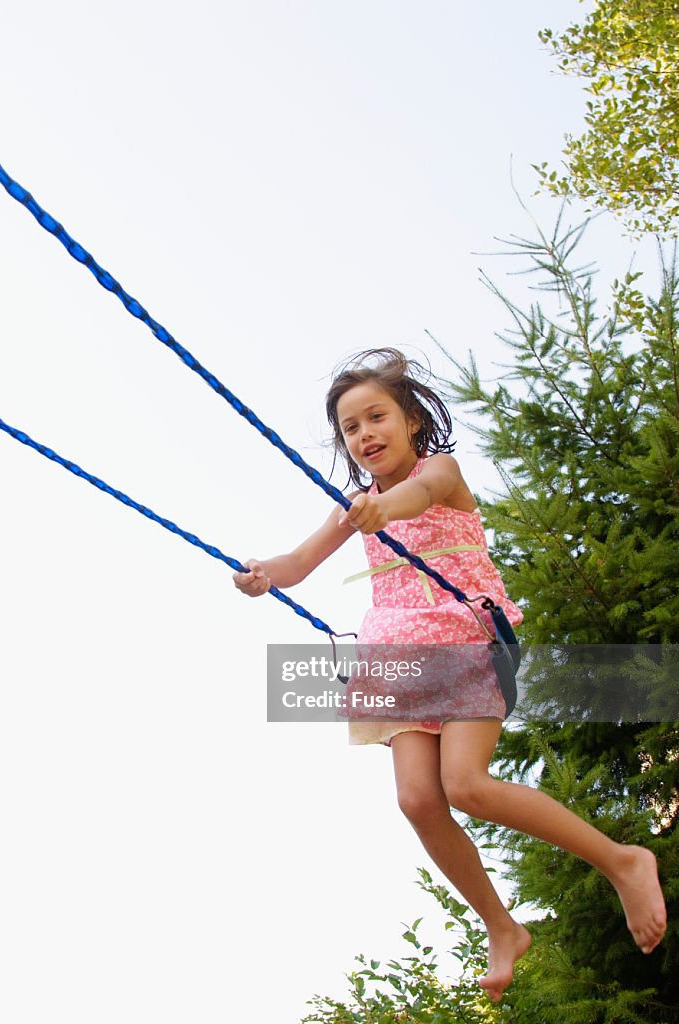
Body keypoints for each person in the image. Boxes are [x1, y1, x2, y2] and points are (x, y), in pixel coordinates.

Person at [232, 348, 667, 1002]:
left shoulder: (439, 471)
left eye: (376, 416)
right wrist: (262, 573)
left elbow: (423, 495)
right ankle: (501, 926)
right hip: (397, 658)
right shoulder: (355, 503)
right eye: (351, 427)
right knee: (417, 799)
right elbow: (299, 560)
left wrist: (387, 509)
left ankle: (623, 861)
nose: (365, 434)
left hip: (464, 636)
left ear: (410, 419)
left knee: (466, 784)